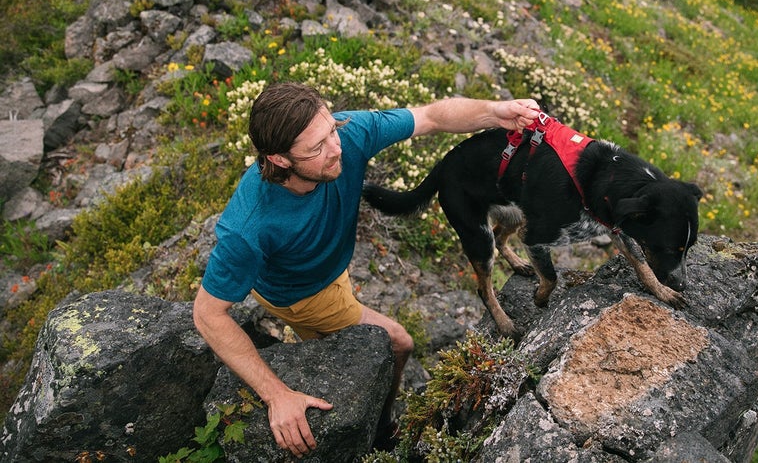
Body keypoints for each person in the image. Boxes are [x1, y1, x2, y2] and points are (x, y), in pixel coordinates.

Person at [192, 81, 541, 457]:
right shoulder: (249, 225)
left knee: (343, 335)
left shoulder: (346, 133)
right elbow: (208, 314)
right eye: (317, 147)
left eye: (331, 131)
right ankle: (383, 426)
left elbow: (431, 116)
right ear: (278, 159)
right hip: (302, 294)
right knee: (398, 342)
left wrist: (496, 111)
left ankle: (325, 349)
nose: (336, 148)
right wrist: (277, 395)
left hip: (324, 270)